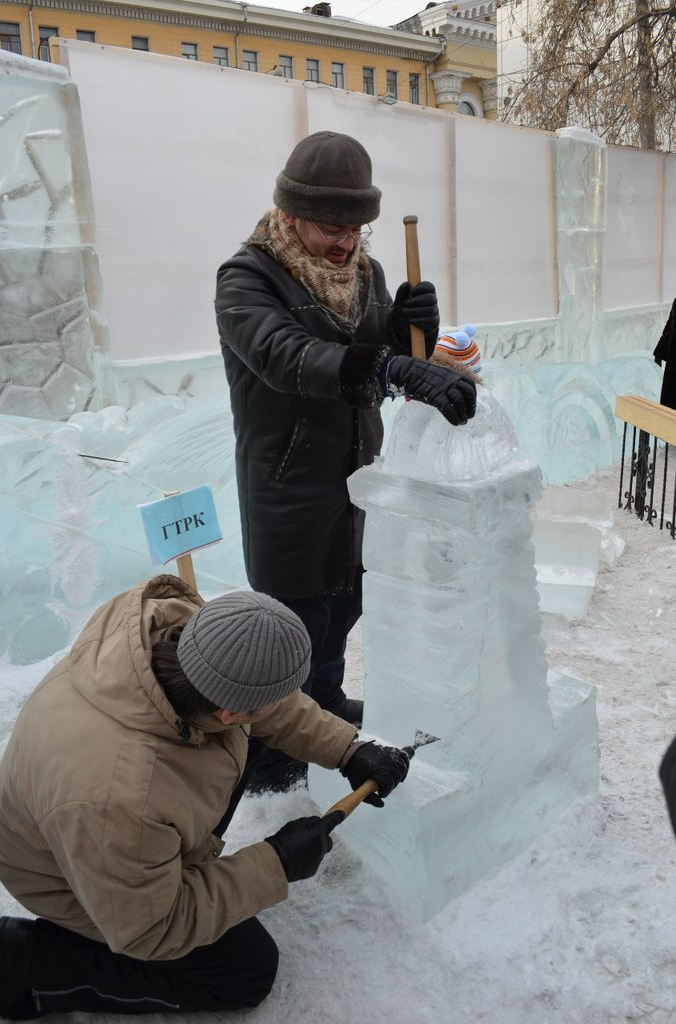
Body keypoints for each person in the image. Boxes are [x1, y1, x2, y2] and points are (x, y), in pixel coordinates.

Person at [0, 575, 408, 1019]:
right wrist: (277, 863)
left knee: (253, 733)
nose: (279, 703)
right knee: (245, 970)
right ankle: (24, 965)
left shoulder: (184, 637)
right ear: (229, 712)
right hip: (68, 874)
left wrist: (349, 749)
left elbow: (270, 703)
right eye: (263, 704)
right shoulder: (121, 797)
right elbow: (154, 927)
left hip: (113, 830)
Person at [215, 130, 477, 791]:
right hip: (288, 486)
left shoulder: (364, 273)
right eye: (332, 225)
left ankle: (323, 705)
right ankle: (273, 767)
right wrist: (391, 363)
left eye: (357, 226)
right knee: (290, 628)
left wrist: (404, 325)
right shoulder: (246, 279)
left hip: (359, 478)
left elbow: (373, 345)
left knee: (345, 605)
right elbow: (289, 358)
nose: (346, 240)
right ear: (292, 211)